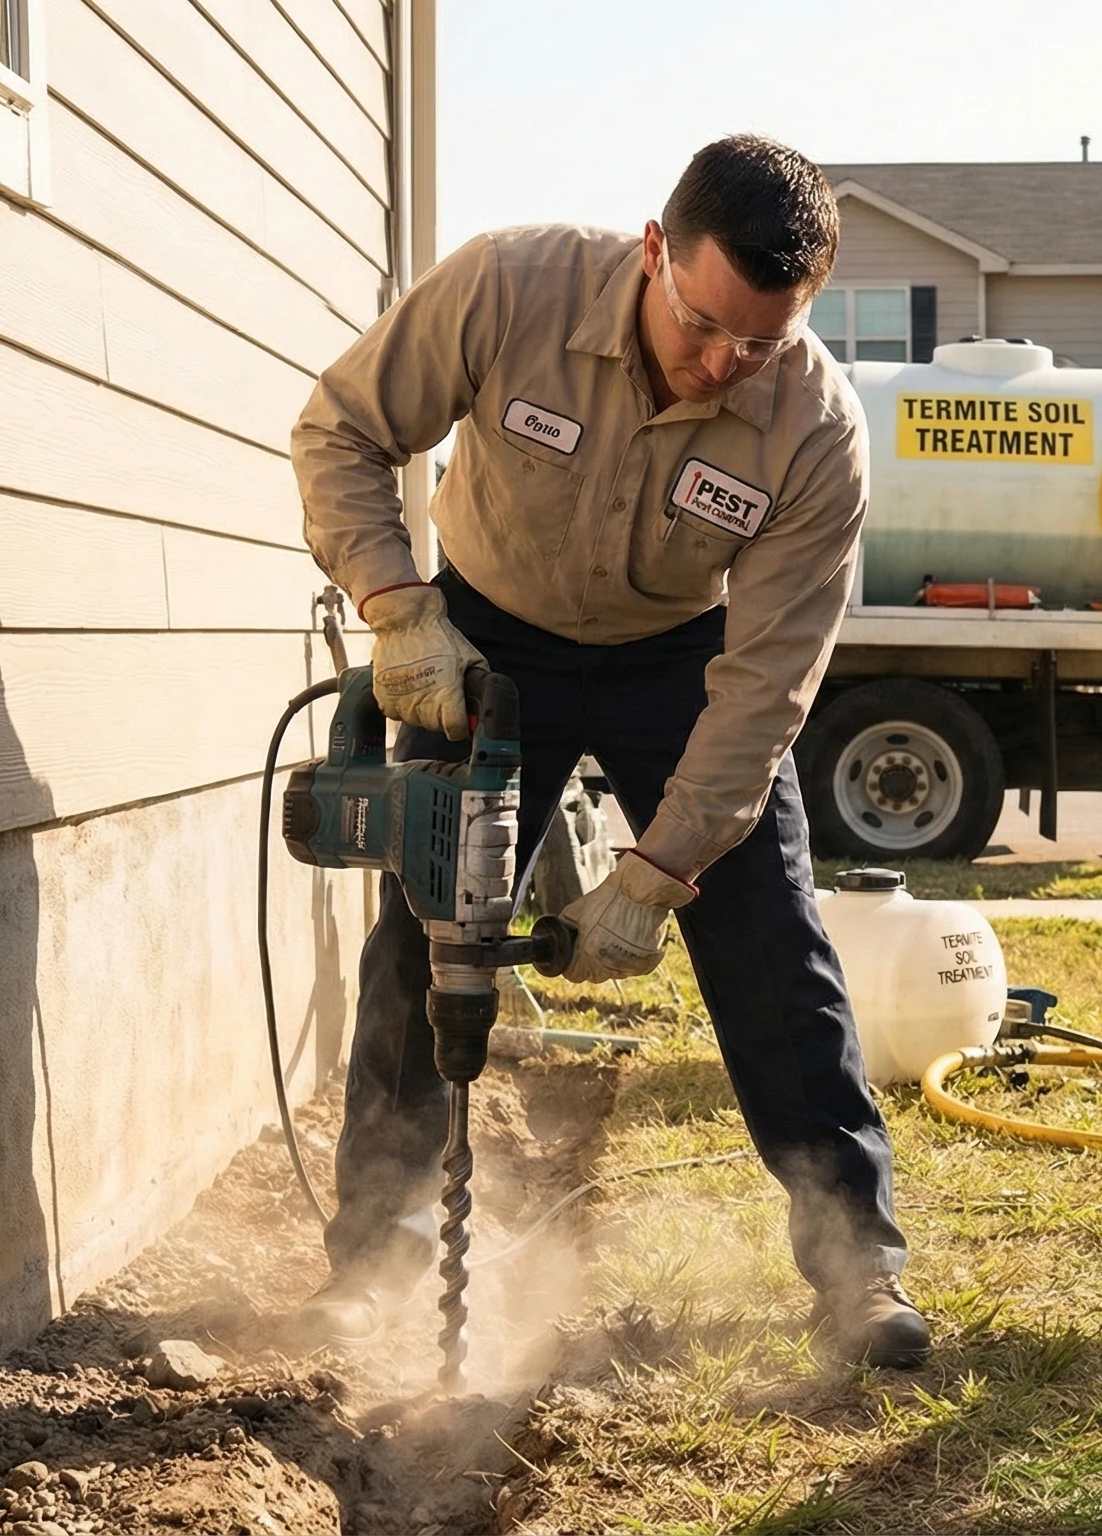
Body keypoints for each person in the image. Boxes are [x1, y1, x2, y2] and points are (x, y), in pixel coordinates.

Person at [287, 135, 926, 1368]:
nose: (719, 365)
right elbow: (341, 430)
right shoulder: (505, 289)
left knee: (770, 943)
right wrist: (393, 604)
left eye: (761, 342)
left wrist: (660, 868)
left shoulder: (815, 430)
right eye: (701, 326)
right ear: (652, 251)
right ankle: (369, 1266)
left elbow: (768, 680)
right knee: (425, 938)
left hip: (677, 662)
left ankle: (861, 1272)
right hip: (475, 638)